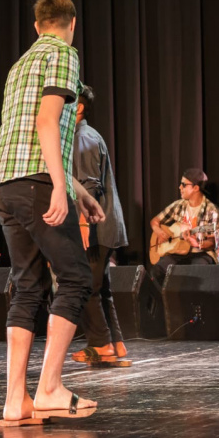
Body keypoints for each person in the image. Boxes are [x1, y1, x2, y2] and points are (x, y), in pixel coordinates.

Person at [0, 0, 104, 426]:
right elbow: (46, 124)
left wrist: (77, 190)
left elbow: (25, 140)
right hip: (36, 182)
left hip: (3, 182)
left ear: (36, 26)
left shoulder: (19, 66)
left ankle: (15, 401)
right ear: (71, 24)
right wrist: (59, 186)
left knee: (28, 286)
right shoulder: (65, 55)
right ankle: (50, 388)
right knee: (75, 277)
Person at [67, 84, 130, 363]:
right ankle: (115, 343)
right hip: (101, 226)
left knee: (84, 286)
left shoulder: (82, 137)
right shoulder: (85, 135)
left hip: (94, 227)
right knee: (99, 286)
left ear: (78, 108)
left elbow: (89, 185)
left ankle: (101, 344)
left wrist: (82, 227)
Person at [149, 168, 219, 285]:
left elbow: (212, 242)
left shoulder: (211, 210)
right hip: (179, 252)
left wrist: (197, 244)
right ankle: (166, 302)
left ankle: (192, 303)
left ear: (196, 188)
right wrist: (159, 231)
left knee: (195, 271)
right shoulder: (179, 205)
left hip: (201, 254)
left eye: (183, 184)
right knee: (157, 270)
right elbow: (155, 221)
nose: (179, 187)